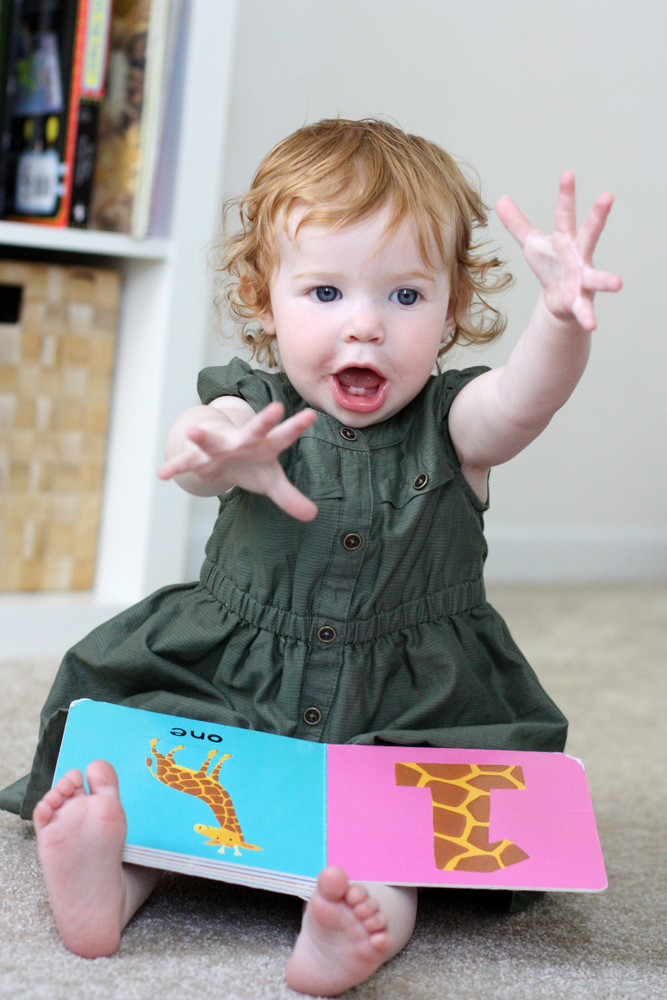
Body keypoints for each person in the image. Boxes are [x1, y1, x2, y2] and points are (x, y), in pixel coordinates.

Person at [0, 118, 621, 996]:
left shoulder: (456, 426)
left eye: (404, 297)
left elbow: (523, 401)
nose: (363, 327)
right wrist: (218, 450)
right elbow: (203, 437)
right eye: (325, 293)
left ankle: (347, 929)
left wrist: (561, 321)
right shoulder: (253, 407)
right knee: (175, 794)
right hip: (234, 679)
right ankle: (112, 882)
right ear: (265, 301)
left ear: (450, 310)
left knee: (389, 854)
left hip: (408, 708)